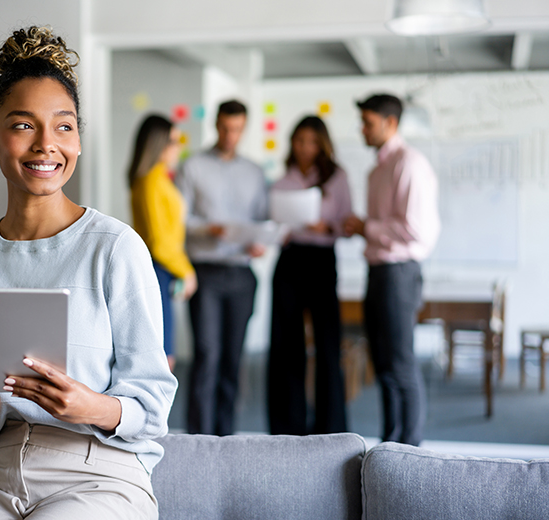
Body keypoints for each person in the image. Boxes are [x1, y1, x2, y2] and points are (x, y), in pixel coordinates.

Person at [0, 26, 177, 520]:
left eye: (64, 126)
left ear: (78, 138)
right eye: (23, 126)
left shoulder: (115, 248)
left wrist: (90, 407)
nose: (46, 145)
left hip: (99, 473)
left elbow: (153, 403)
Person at [344, 93, 440, 447]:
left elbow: (416, 230)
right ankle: (391, 445)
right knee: (383, 366)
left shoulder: (409, 164)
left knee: (400, 365)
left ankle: (410, 450)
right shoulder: (378, 169)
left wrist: (367, 227)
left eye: (368, 123)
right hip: (379, 273)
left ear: (391, 123)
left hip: (399, 274)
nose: (362, 130)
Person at [176, 99, 268, 436]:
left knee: (232, 360)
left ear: (244, 129)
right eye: (226, 128)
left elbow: (262, 220)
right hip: (207, 272)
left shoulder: (255, 172)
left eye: (238, 129)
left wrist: (260, 241)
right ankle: (199, 437)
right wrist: (208, 228)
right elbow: (180, 220)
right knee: (206, 356)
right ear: (216, 125)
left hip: (242, 274)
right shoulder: (193, 166)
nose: (231, 135)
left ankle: (225, 437)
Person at [267, 115, 352, 435]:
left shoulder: (337, 178)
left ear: (322, 145)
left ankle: (331, 428)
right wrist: (279, 232)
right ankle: (287, 427)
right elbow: (271, 226)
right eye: (300, 141)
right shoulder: (281, 182)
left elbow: (347, 223)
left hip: (321, 260)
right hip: (290, 260)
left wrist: (327, 226)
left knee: (328, 345)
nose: (305, 148)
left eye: (312, 142)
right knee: (286, 346)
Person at [128, 114, 198, 373]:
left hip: (165, 270)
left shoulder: (158, 178)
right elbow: (159, 242)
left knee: (165, 356)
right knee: (163, 358)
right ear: (158, 143)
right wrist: (187, 271)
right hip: (158, 269)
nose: (178, 147)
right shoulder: (150, 181)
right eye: (173, 141)